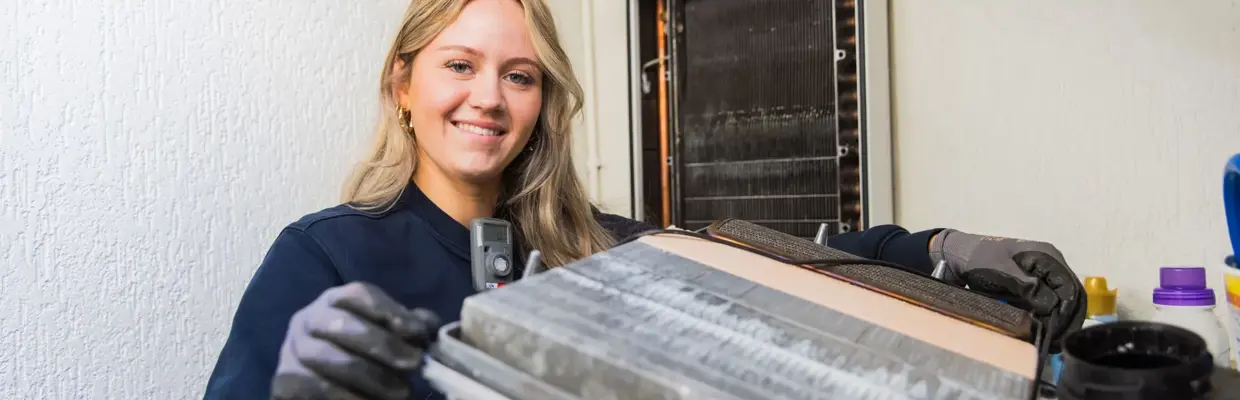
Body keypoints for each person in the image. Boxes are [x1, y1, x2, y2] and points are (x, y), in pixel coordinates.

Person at [202, 0, 1086, 399]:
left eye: (519, 76)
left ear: (544, 102)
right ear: (403, 84)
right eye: (459, 65)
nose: (489, 99)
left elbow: (780, 265)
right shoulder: (323, 257)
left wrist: (942, 250)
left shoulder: (597, 247)